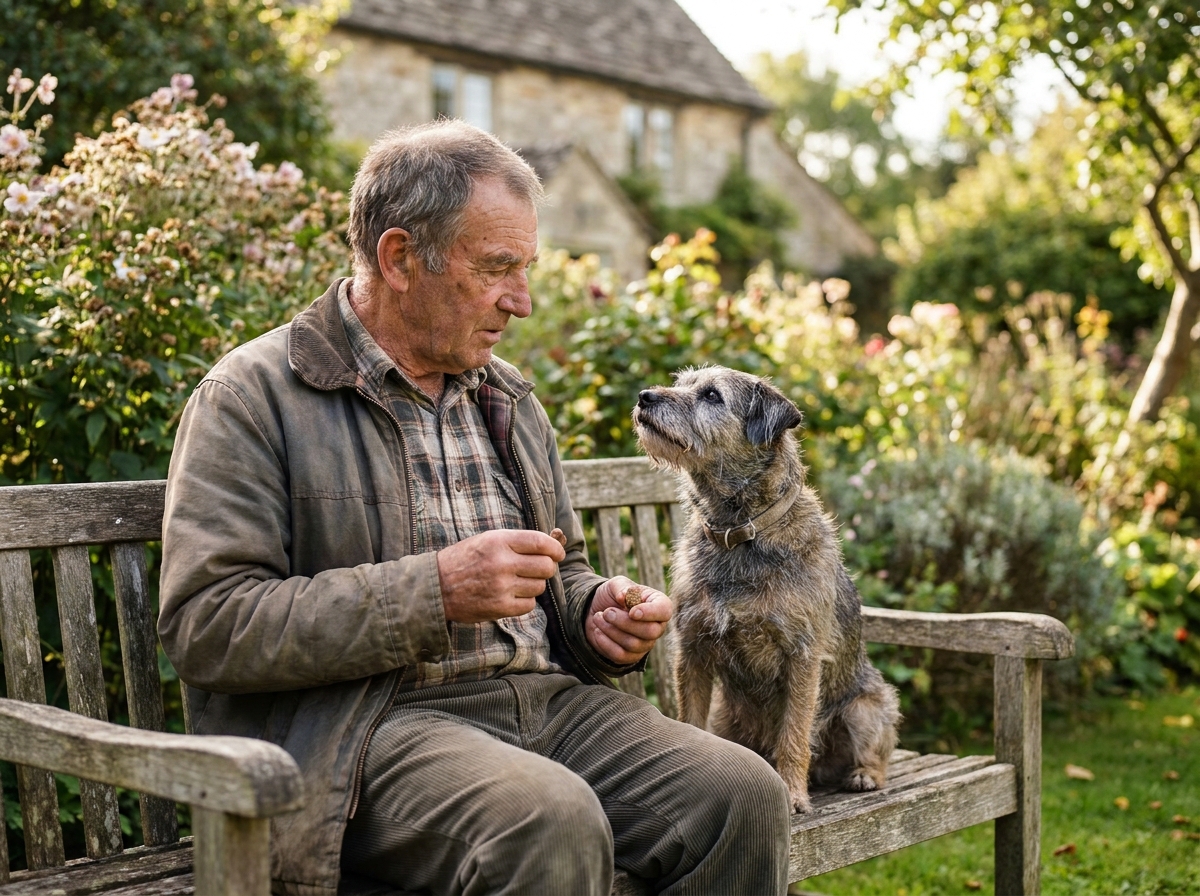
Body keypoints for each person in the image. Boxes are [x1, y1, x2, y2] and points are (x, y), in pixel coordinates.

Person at [159, 119, 791, 896]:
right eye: (497, 268)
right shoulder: (253, 397)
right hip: (365, 732)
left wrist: (597, 615)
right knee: (546, 820)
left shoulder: (507, 397)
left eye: (525, 269)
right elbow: (208, 626)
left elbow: (566, 570)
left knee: (743, 795)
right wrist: (432, 591)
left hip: (543, 706)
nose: (520, 301)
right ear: (398, 257)